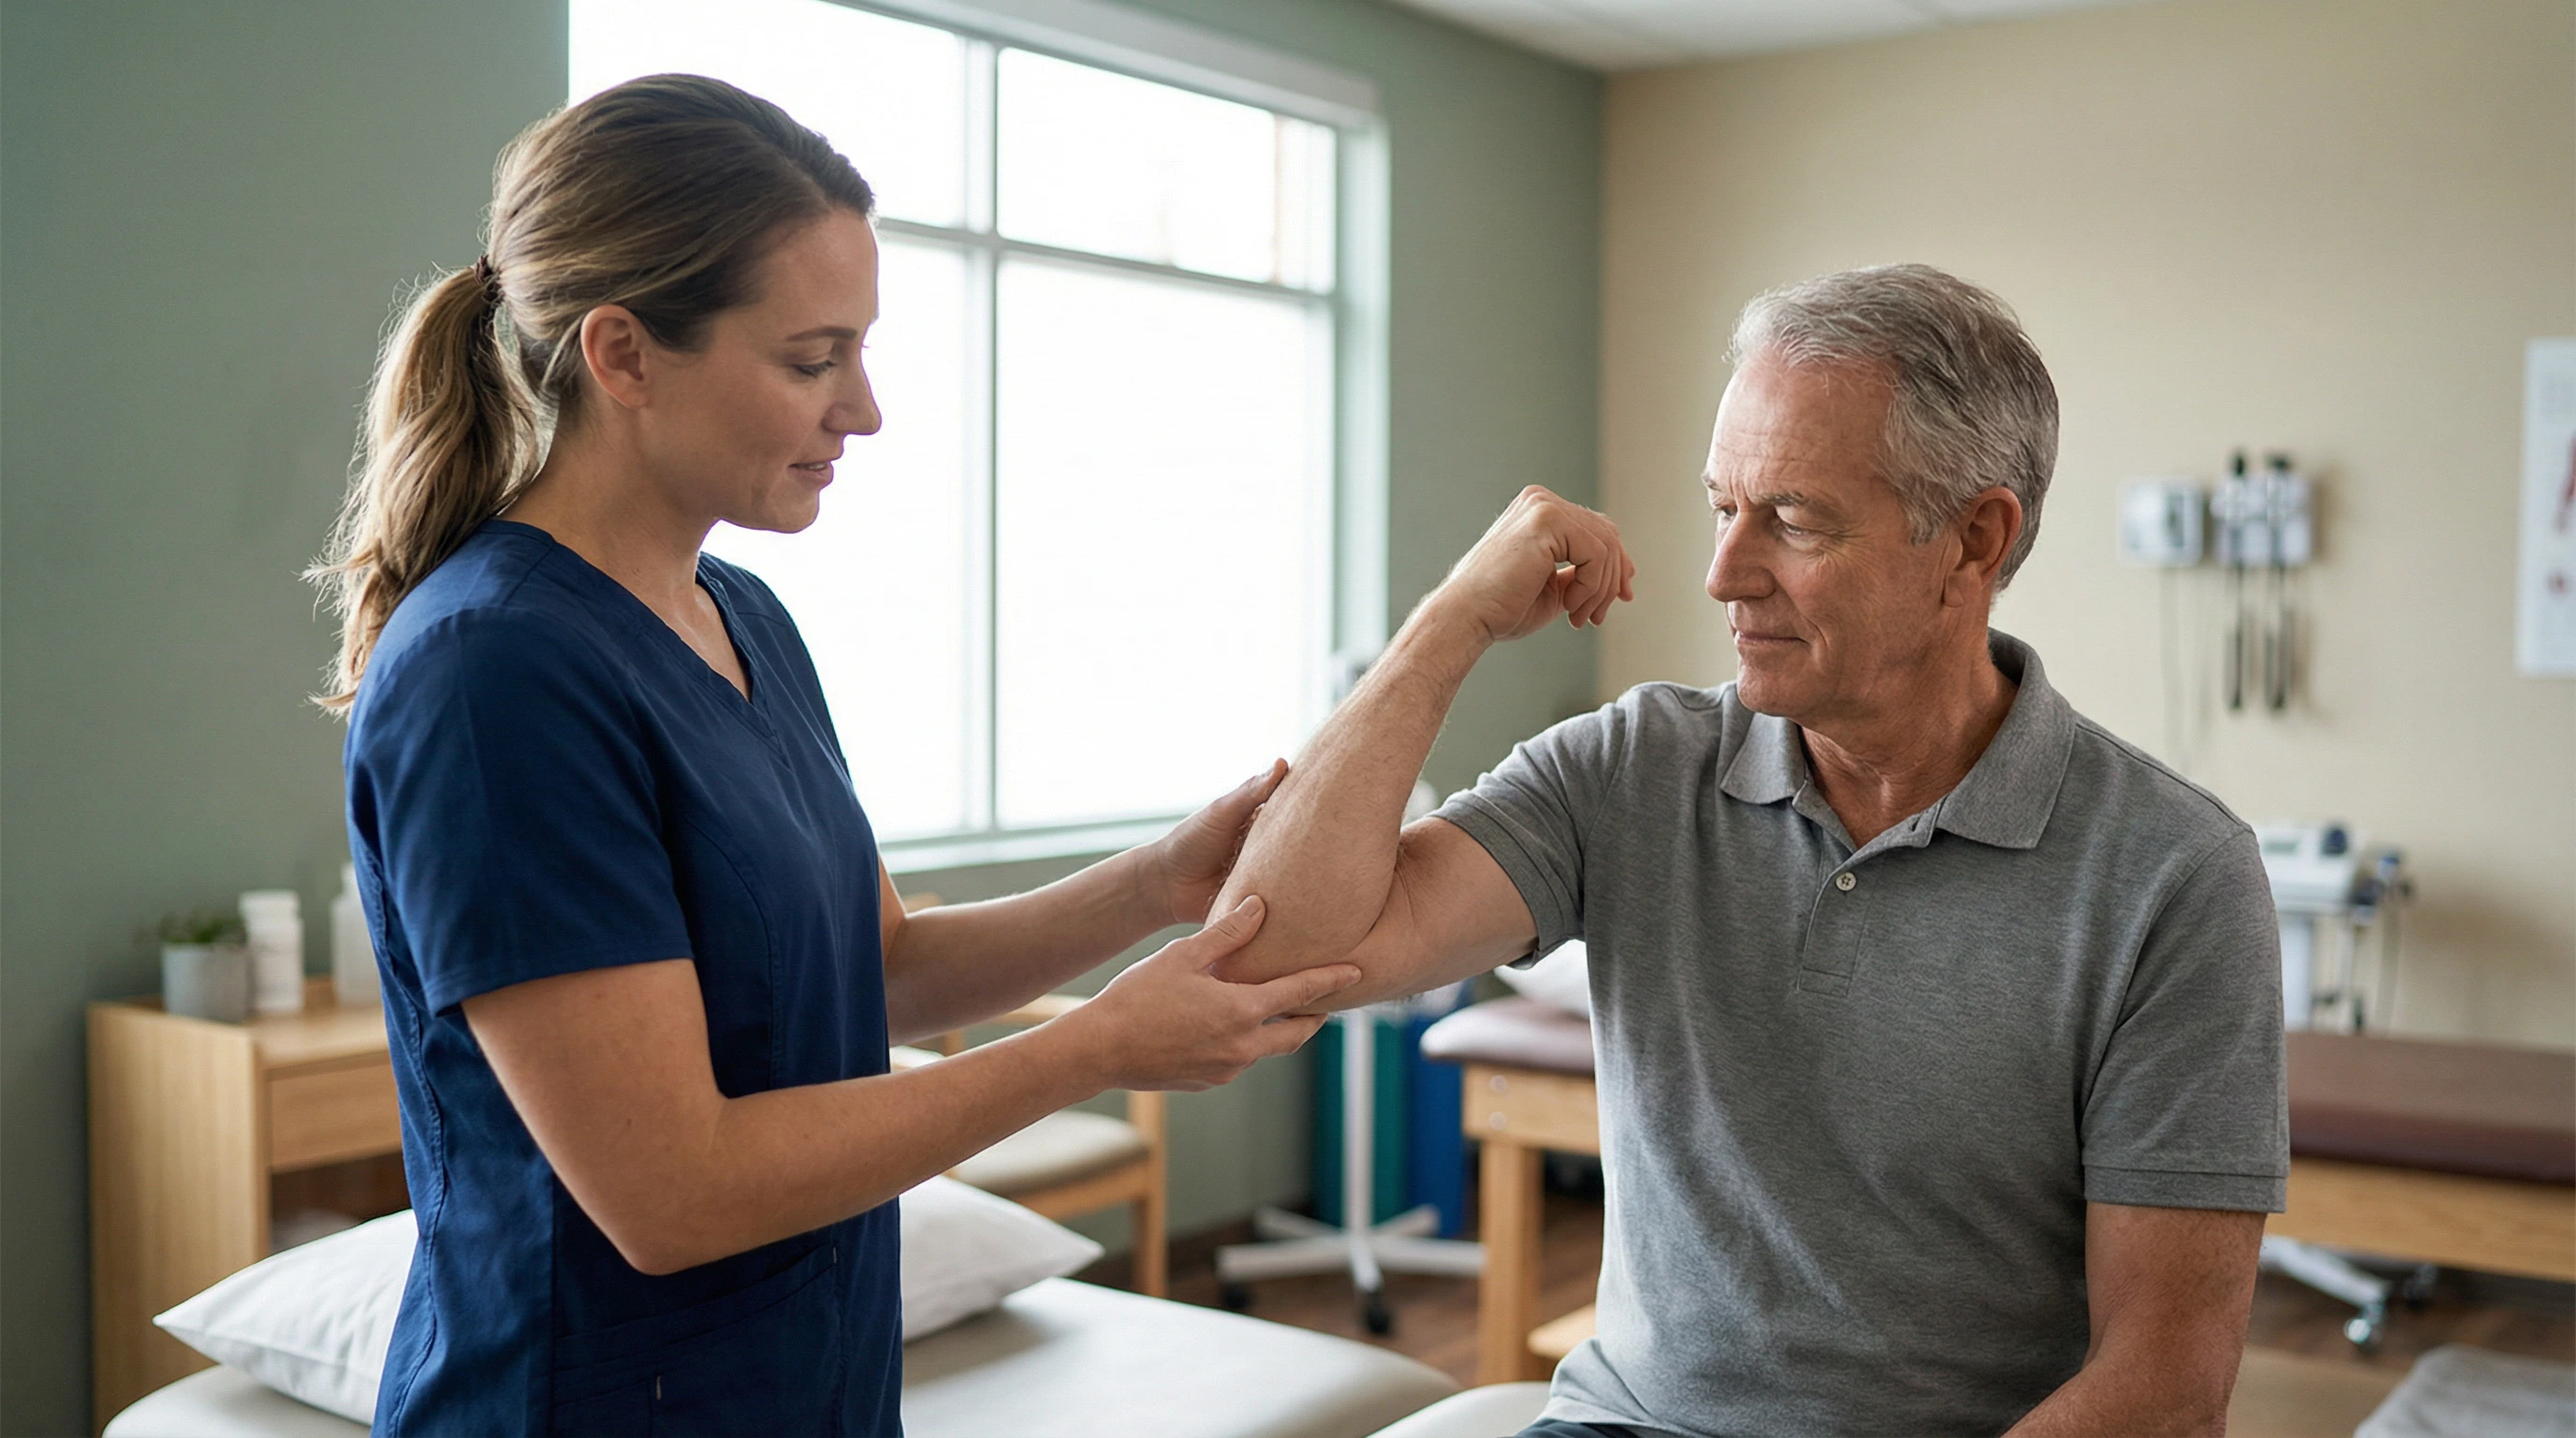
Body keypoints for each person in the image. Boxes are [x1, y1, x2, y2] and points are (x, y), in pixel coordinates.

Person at [312, 75, 1359, 1437]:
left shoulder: (740, 618)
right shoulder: (493, 670)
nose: (861, 411)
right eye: (814, 359)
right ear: (623, 355)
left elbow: (870, 974)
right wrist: (1094, 1048)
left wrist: (1156, 882)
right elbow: (669, 1193)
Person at [1210, 265, 2288, 1436]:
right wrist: (1451, 619)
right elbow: (1272, 949)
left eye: (1794, 519)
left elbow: (2165, 1385)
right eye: (1723, 507)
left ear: (1973, 542)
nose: (1725, 573)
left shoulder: (2173, 877)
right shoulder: (1630, 770)